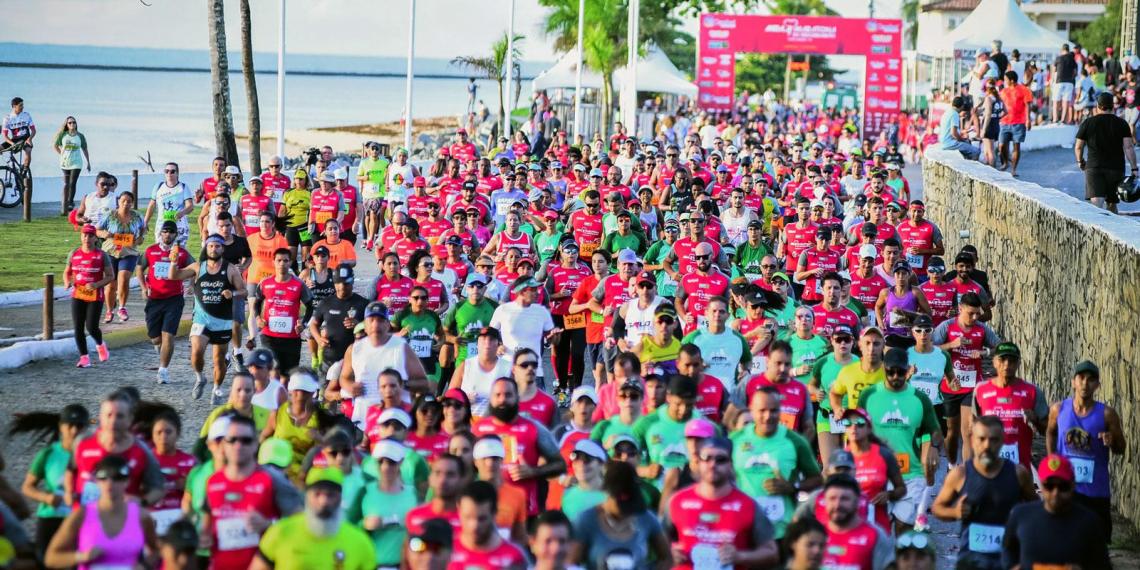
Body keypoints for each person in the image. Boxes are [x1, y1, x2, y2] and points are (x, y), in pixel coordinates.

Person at [931, 416, 1037, 570]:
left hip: (1008, 562)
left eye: (993, 440)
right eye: (982, 439)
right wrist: (955, 512)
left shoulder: (1018, 474)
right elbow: (937, 508)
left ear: (1002, 441)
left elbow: (1036, 508)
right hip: (970, 561)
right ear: (973, 440)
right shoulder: (960, 474)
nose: (987, 445)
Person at [201, 415, 303, 569]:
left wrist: (269, 524)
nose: (238, 445)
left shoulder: (271, 479)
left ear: (256, 444)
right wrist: (204, 538)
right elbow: (207, 527)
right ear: (224, 444)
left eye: (245, 440)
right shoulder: (213, 482)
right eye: (232, 440)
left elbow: (302, 524)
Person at [663, 436, 779, 569]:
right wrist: (669, 552)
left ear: (730, 464)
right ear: (698, 462)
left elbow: (772, 553)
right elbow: (656, 542)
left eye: (721, 460)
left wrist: (740, 556)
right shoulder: (677, 501)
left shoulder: (748, 505)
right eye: (707, 458)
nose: (713, 464)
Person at [1046, 359, 1125, 538]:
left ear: (1097, 385)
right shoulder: (1058, 410)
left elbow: (1121, 449)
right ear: (1073, 381)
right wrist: (1052, 459)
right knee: (1064, 542)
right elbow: (1050, 432)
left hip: (1096, 492)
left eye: (1091, 379)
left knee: (1097, 546)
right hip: (1066, 490)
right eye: (1081, 378)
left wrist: (1112, 440)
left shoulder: (1107, 414)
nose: (1085, 383)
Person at [731, 387, 823, 539]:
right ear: (751, 410)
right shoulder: (735, 440)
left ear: (780, 411)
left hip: (781, 531)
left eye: (774, 411)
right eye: (762, 411)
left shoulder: (795, 441)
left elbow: (817, 480)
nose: (768, 416)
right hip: (743, 527)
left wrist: (793, 487)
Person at [471, 377, 567, 516]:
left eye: (508, 395)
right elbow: (464, 467)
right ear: (491, 399)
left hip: (525, 512)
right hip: (485, 512)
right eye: (498, 395)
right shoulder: (478, 429)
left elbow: (560, 465)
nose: (503, 399)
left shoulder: (534, 428)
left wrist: (533, 472)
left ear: (517, 398)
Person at [44, 455, 159, 570]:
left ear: (127, 481)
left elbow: (157, 551)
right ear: (96, 481)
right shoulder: (81, 515)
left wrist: (144, 566)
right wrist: (82, 556)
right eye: (103, 477)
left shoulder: (141, 516)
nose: (110, 482)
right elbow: (51, 558)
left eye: (117, 477)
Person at [251, 467, 375, 570]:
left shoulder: (360, 542)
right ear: (306, 496)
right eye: (317, 494)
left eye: (331, 495)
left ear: (340, 498)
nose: (323, 501)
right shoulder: (280, 533)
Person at [171, 235, 246, 403]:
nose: (214, 249)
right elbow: (175, 276)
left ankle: (217, 388)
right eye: (211, 246)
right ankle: (200, 377)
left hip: (223, 320)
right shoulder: (198, 267)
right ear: (206, 248)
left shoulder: (230, 269)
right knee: (196, 351)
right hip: (201, 319)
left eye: (217, 246)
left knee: (219, 360)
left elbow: (244, 291)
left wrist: (232, 293)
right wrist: (173, 261)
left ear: (222, 249)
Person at [1001, 454, 1112, 569]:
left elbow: (1103, 565)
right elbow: (1007, 550)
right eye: (1049, 486)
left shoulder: (1090, 522)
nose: (1056, 492)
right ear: (1041, 485)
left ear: (1073, 485)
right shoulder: (1020, 515)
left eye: (1063, 486)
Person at [337, 302, 429, 423]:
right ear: (365, 324)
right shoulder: (354, 349)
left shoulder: (401, 347)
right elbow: (344, 378)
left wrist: (401, 385)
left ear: (387, 324)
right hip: (365, 417)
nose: (376, 324)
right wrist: (350, 387)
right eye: (372, 320)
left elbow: (423, 383)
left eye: (380, 320)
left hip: (395, 418)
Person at [571, 460, 671, 570]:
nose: (626, 509)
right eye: (621, 502)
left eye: (631, 502)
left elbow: (666, 558)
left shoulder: (646, 517)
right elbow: (571, 564)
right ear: (607, 494)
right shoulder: (586, 521)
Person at [136, 221, 194, 384]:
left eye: (171, 232)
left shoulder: (181, 253)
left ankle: (163, 370)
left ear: (176, 234)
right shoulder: (150, 250)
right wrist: (143, 287)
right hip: (154, 298)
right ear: (160, 233)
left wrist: (191, 284)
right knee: (155, 337)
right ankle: (161, 350)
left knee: (168, 335)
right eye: (165, 231)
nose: (168, 234)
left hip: (174, 299)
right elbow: (140, 268)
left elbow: (195, 267)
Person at [489, 277, 559, 388]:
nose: (537, 293)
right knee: (509, 404)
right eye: (533, 290)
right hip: (509, 368)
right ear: (522, 291)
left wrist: (555, 336)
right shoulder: (503, 310)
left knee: (537, 404)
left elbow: (553, 341)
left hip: (534, 369)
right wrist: (498, 345)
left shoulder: (541, 311)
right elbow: (490, 333)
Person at [1075, 91, 1137, 213]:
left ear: (1098, 106)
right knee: (1112, 204)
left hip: (1093, 167)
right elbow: (1129, 147)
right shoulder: (1122, 123)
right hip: (1116, 168)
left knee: (1096, 203)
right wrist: (1134, 169)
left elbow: (1078, 147)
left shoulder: (1088, 122)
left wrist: (1080, 161)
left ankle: (1094, 230)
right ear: (1112, 106)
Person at [818, 474, 895, 570]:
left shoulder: (876, 536)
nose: (837, 505)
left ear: (857, 501)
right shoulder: (814, 534)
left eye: (844, 499)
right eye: (832, 498)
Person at [64, 225, 114, 368]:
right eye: (84, 235)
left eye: (90, 236)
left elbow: (110, 276)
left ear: (95, 238)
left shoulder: (101, 255)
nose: (87, 238)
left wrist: (97, 284)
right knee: (78, 327)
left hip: (95, 296)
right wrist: (67, 281)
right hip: (78, 294)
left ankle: (100, 344)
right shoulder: (74, 253)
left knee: (91, 327)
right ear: (81, 236)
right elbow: (66, 272)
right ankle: (84, 357)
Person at [144, 162, 194, 246]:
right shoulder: (158, 186)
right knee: (162, 251)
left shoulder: (183, 187)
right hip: (162, 225)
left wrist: (182, 213)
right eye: (166, 171)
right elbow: (152, 205)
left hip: (179, 226)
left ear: (177, 173)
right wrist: (145, 222)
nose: (169, 174)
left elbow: (190, 206)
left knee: (177, 252)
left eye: (172, 171)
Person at [998, 70, 1033, 177]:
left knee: (1016, 146)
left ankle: (1013, 169)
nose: (1004, 81)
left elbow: (1028, 105)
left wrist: (1028, 120)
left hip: (1019, 122)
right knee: (1001, 145)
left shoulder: (1024, 90)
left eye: (1006, 79)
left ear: (1012, 80)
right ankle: (1005, 162)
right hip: (1004, 121)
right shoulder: (1003, 91)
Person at [53, 116, 90, 213]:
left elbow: (85, 149)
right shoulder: (63, 135)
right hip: (65, 163)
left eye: (74, 122)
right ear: (67, 124)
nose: (72, 124)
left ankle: (70, 202)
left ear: (76, 124)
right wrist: (61, 154)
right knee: (67, 183)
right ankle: (65, 202)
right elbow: (55, 146)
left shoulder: (80, 136)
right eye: (70, 123)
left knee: (72, 182)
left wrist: (88, 162)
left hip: (77, 163)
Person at [939, 96, 980, 160]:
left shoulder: (947, 112)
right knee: (976, 151)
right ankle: (970, 168)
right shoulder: (954, 114)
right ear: (961, 106)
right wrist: (962, 140)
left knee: (967, 144)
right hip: (949, 143)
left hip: (944, 143)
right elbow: (954, 133)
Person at [2, 97, 34, 168]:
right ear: (14, 106)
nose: (22, 107)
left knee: (28, 151)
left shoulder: (26, 115)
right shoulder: (7, 118)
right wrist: (12, 143)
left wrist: (30, 139)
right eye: (20, 105)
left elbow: (33, 130)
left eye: (22, 105)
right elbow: (5, 136)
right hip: (14, 140)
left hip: (26, 139)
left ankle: (25, 171)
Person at [1053, 43, 1078, 124]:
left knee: (1056, 101)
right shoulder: (1072, 59)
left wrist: (1053, 80)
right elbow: (1075, 72)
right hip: (1069, 82)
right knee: (1066, 102)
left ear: (1062, 50)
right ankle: (1063, 119)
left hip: (1059, 81)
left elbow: (1054, 70)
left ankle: (1055, 119)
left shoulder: (1058, 58)